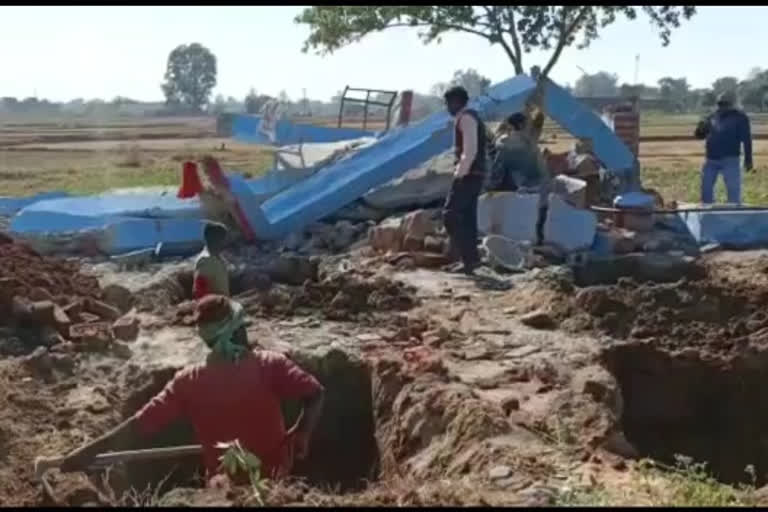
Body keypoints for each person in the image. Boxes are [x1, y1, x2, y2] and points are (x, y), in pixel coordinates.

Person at [58, 295, 325, 483]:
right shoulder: (270, 365)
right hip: (274, 485)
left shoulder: (188, 382)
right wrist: (302, 433)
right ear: (236, 331)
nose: (247, 331)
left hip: (223, 491)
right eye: (242, 326)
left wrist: (86, 453)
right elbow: (315, 394)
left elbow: (138, 425)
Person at [442, 85, 488, 275]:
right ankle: (470, 261)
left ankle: (468, 258)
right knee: (467, 218)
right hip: (475, 174)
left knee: (450, 215)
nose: (447, 108)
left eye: (448, 103)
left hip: (468, 174)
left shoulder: (466, 118)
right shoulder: (471, 117)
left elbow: (470, 150)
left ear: (456, 102)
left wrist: (459, 174)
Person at [694, 91, 754, 204]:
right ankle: (708, 213)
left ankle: (733, 214)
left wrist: (748, 160)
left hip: (730, 159)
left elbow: (747, 140)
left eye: (725, 103)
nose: (722, 106)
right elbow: (699, 136)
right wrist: (700, 129)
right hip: (711, 160)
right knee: (706, 190)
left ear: (732, 104)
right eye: (721, 103)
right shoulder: (711, 117)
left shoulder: (740, 118)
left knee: (733, 194)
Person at [194, 222, 230, 299]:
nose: (226, 242)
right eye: (223, 238)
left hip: (223, 305)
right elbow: (199, 291)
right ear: (216, 240)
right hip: (215, 307)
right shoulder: (206, 260)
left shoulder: (217, 257)